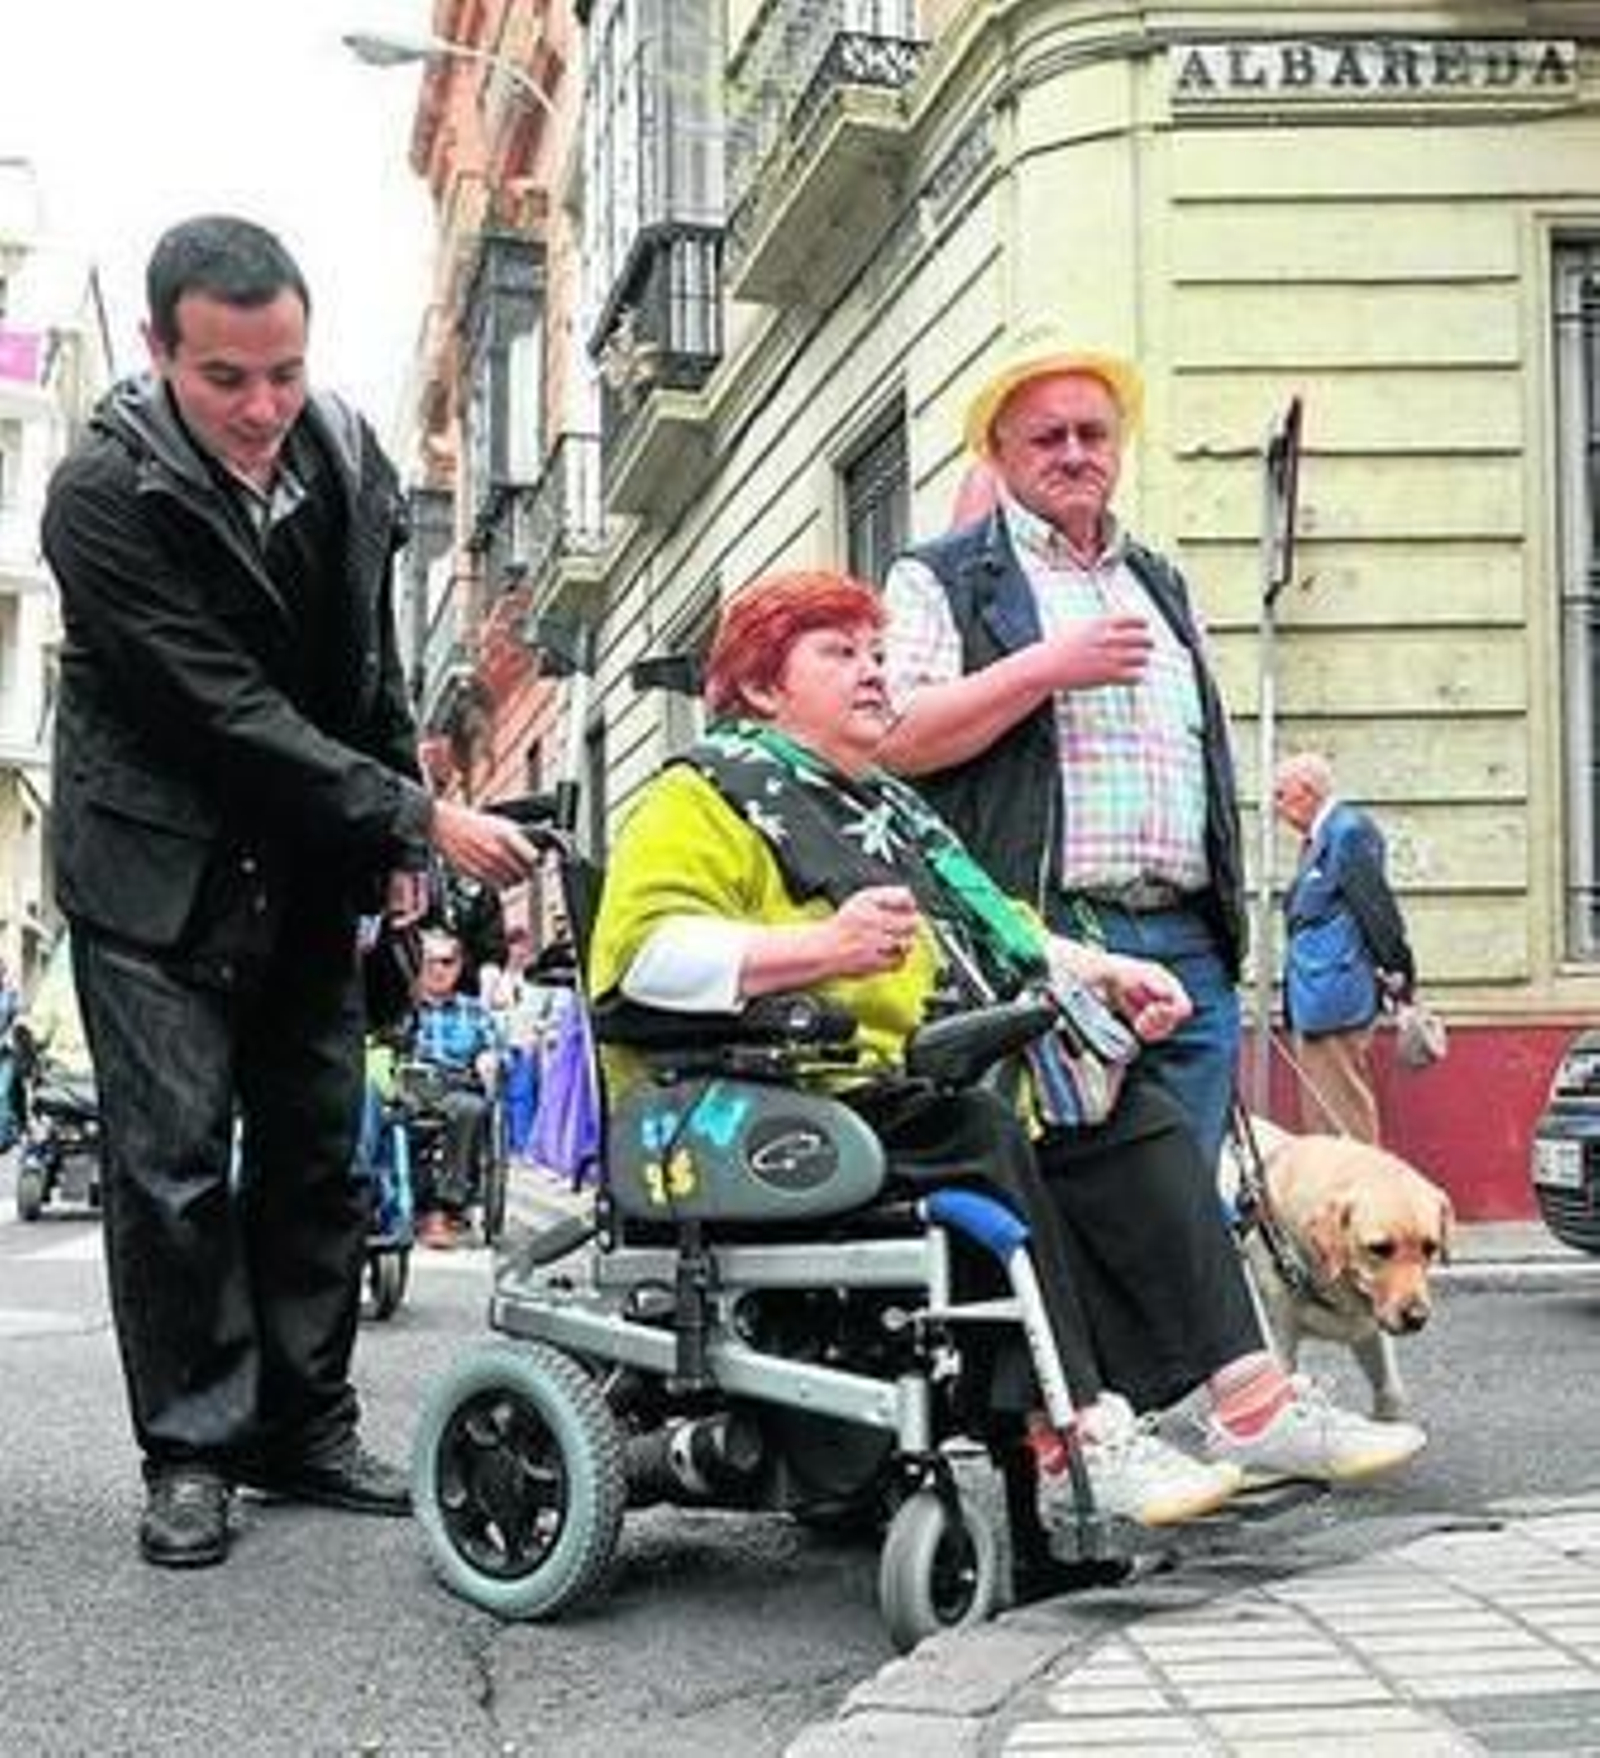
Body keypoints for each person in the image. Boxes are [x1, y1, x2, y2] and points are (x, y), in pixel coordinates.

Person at [590, 570, 1424, 1538]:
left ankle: (1251, 1404)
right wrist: (812, 950)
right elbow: (642, 958)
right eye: (837, 653)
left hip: (909, 1081)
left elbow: (996, 931)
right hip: (768, 1098)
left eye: (874, 652)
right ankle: (1076, 1432)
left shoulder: (880, 807)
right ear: (763, 687)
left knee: (1130, 1119)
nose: (872, 673)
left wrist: (1104, 971)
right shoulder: (699, 798)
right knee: (982, 1133)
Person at [41, 214, 537, 1569]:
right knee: (176, 1166)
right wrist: (419, 808)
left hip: (309, 863)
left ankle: (305, 1426)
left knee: (318, 1153)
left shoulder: (345, 451)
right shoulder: (99, 496)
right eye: (226, 380)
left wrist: (399, 849)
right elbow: (224, 711)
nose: (263, 408)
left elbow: (363, 676)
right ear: (159, 355)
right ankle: (193, 1449)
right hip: (153, 868)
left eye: (284, 372)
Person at [880, 329, 1245, 1164]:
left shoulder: (1158, 580)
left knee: (1188, 1206)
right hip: (1046, 932)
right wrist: (1044, 667)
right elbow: (895, 740)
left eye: (1094, 434)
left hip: (1188, 938)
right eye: (1049, 437)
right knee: (1063, 1193)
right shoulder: (943, 577)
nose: (1076, 454)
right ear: (999, 452)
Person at [1273, 752, 1417, 1143]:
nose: (1276, 808)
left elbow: (1377, 910)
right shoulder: (1324, 836)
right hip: (1318, 998)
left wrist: (1400, 977)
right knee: (1324, 1116)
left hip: (1336, 997)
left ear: (1307, 792)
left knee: (1344, 1116)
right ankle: (1340, 1196)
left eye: (1280, 795)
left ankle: (1367, 1197)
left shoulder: (1348, 831)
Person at [408, 928, 502, 1247]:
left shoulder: (474, 1010)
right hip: (409, 1082)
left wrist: (490, 1059)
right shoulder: (401, 1006)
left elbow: (498, 1051)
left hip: (455, 1083)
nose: (437, 968)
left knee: (470, 1108)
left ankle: (446, 1206)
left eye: (446, 961)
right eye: (429, 960)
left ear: (459, 965)